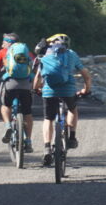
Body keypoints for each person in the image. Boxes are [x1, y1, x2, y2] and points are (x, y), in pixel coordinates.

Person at [33, 33, 91, 167]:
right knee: (72, 109)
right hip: (68, 90)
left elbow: (38, 77)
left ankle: (47, 147)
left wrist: (36, 89)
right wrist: (86, 89)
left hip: (49, 90)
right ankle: (72, 137)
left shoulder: (45, 54)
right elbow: (86, 75)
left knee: (48, 119)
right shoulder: (72, 54)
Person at [0, 32, 35, 153]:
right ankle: (28, 141)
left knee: (5, 106)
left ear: (8, 42)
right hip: (26, 85)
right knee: (27, 112)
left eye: (3, 42)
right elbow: (35, 67)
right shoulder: (27, 52)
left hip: (10, 84)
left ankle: (7, 126)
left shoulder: (3, 53)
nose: (2, 44)